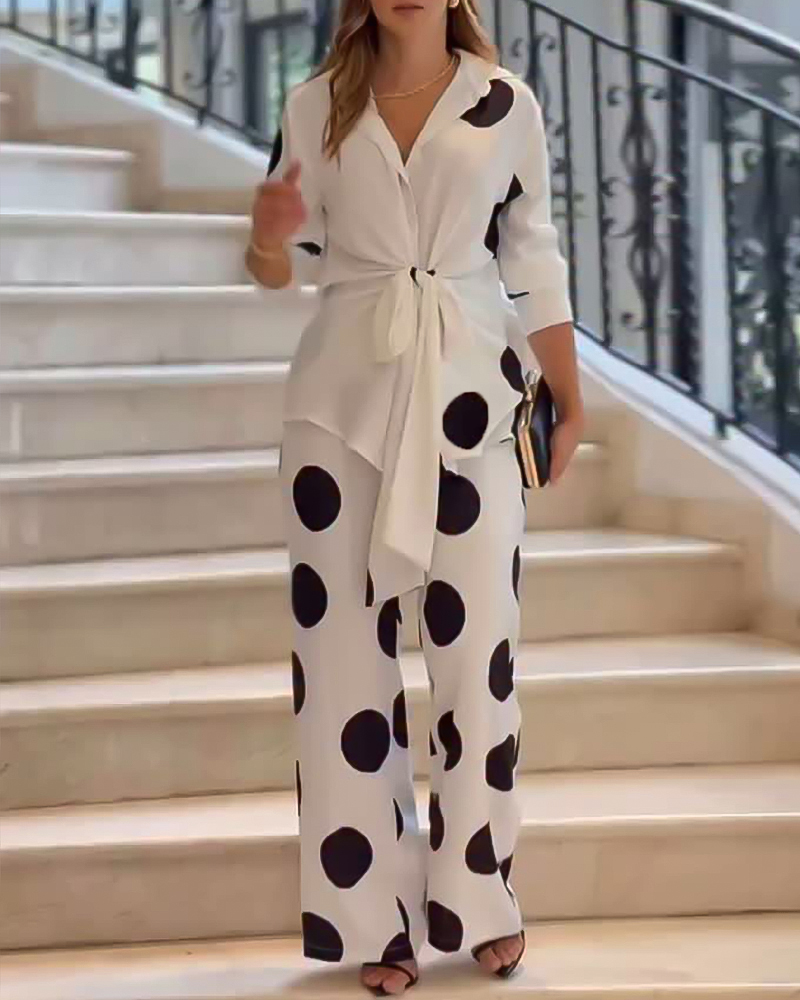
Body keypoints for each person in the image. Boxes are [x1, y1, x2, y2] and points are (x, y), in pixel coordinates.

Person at [245, 0, 583, 990]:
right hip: (336, 411)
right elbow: (280, 264)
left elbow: (532, 253)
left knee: (477, 662)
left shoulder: (501, 102)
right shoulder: (313, 105)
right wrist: (264, 240)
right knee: (342, 667)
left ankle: (480, 899)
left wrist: (569, 394)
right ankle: (371, 922)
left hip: (471, 399)